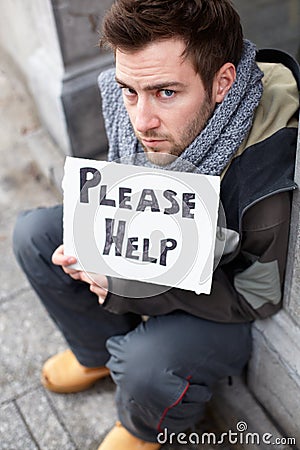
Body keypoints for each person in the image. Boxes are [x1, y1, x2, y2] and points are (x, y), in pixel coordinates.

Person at [13, 0, 299, 448]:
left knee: (147, 366)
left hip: (225, 302)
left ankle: (145, 426)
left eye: (166, 92)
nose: (141, 121)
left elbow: (258, 296)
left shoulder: (265, 159)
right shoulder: (141, 106)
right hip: (165, 251)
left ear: (223, 82)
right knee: (35, 235)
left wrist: (133, 280)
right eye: (130, 90)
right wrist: (105, 244)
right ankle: (95, 353)